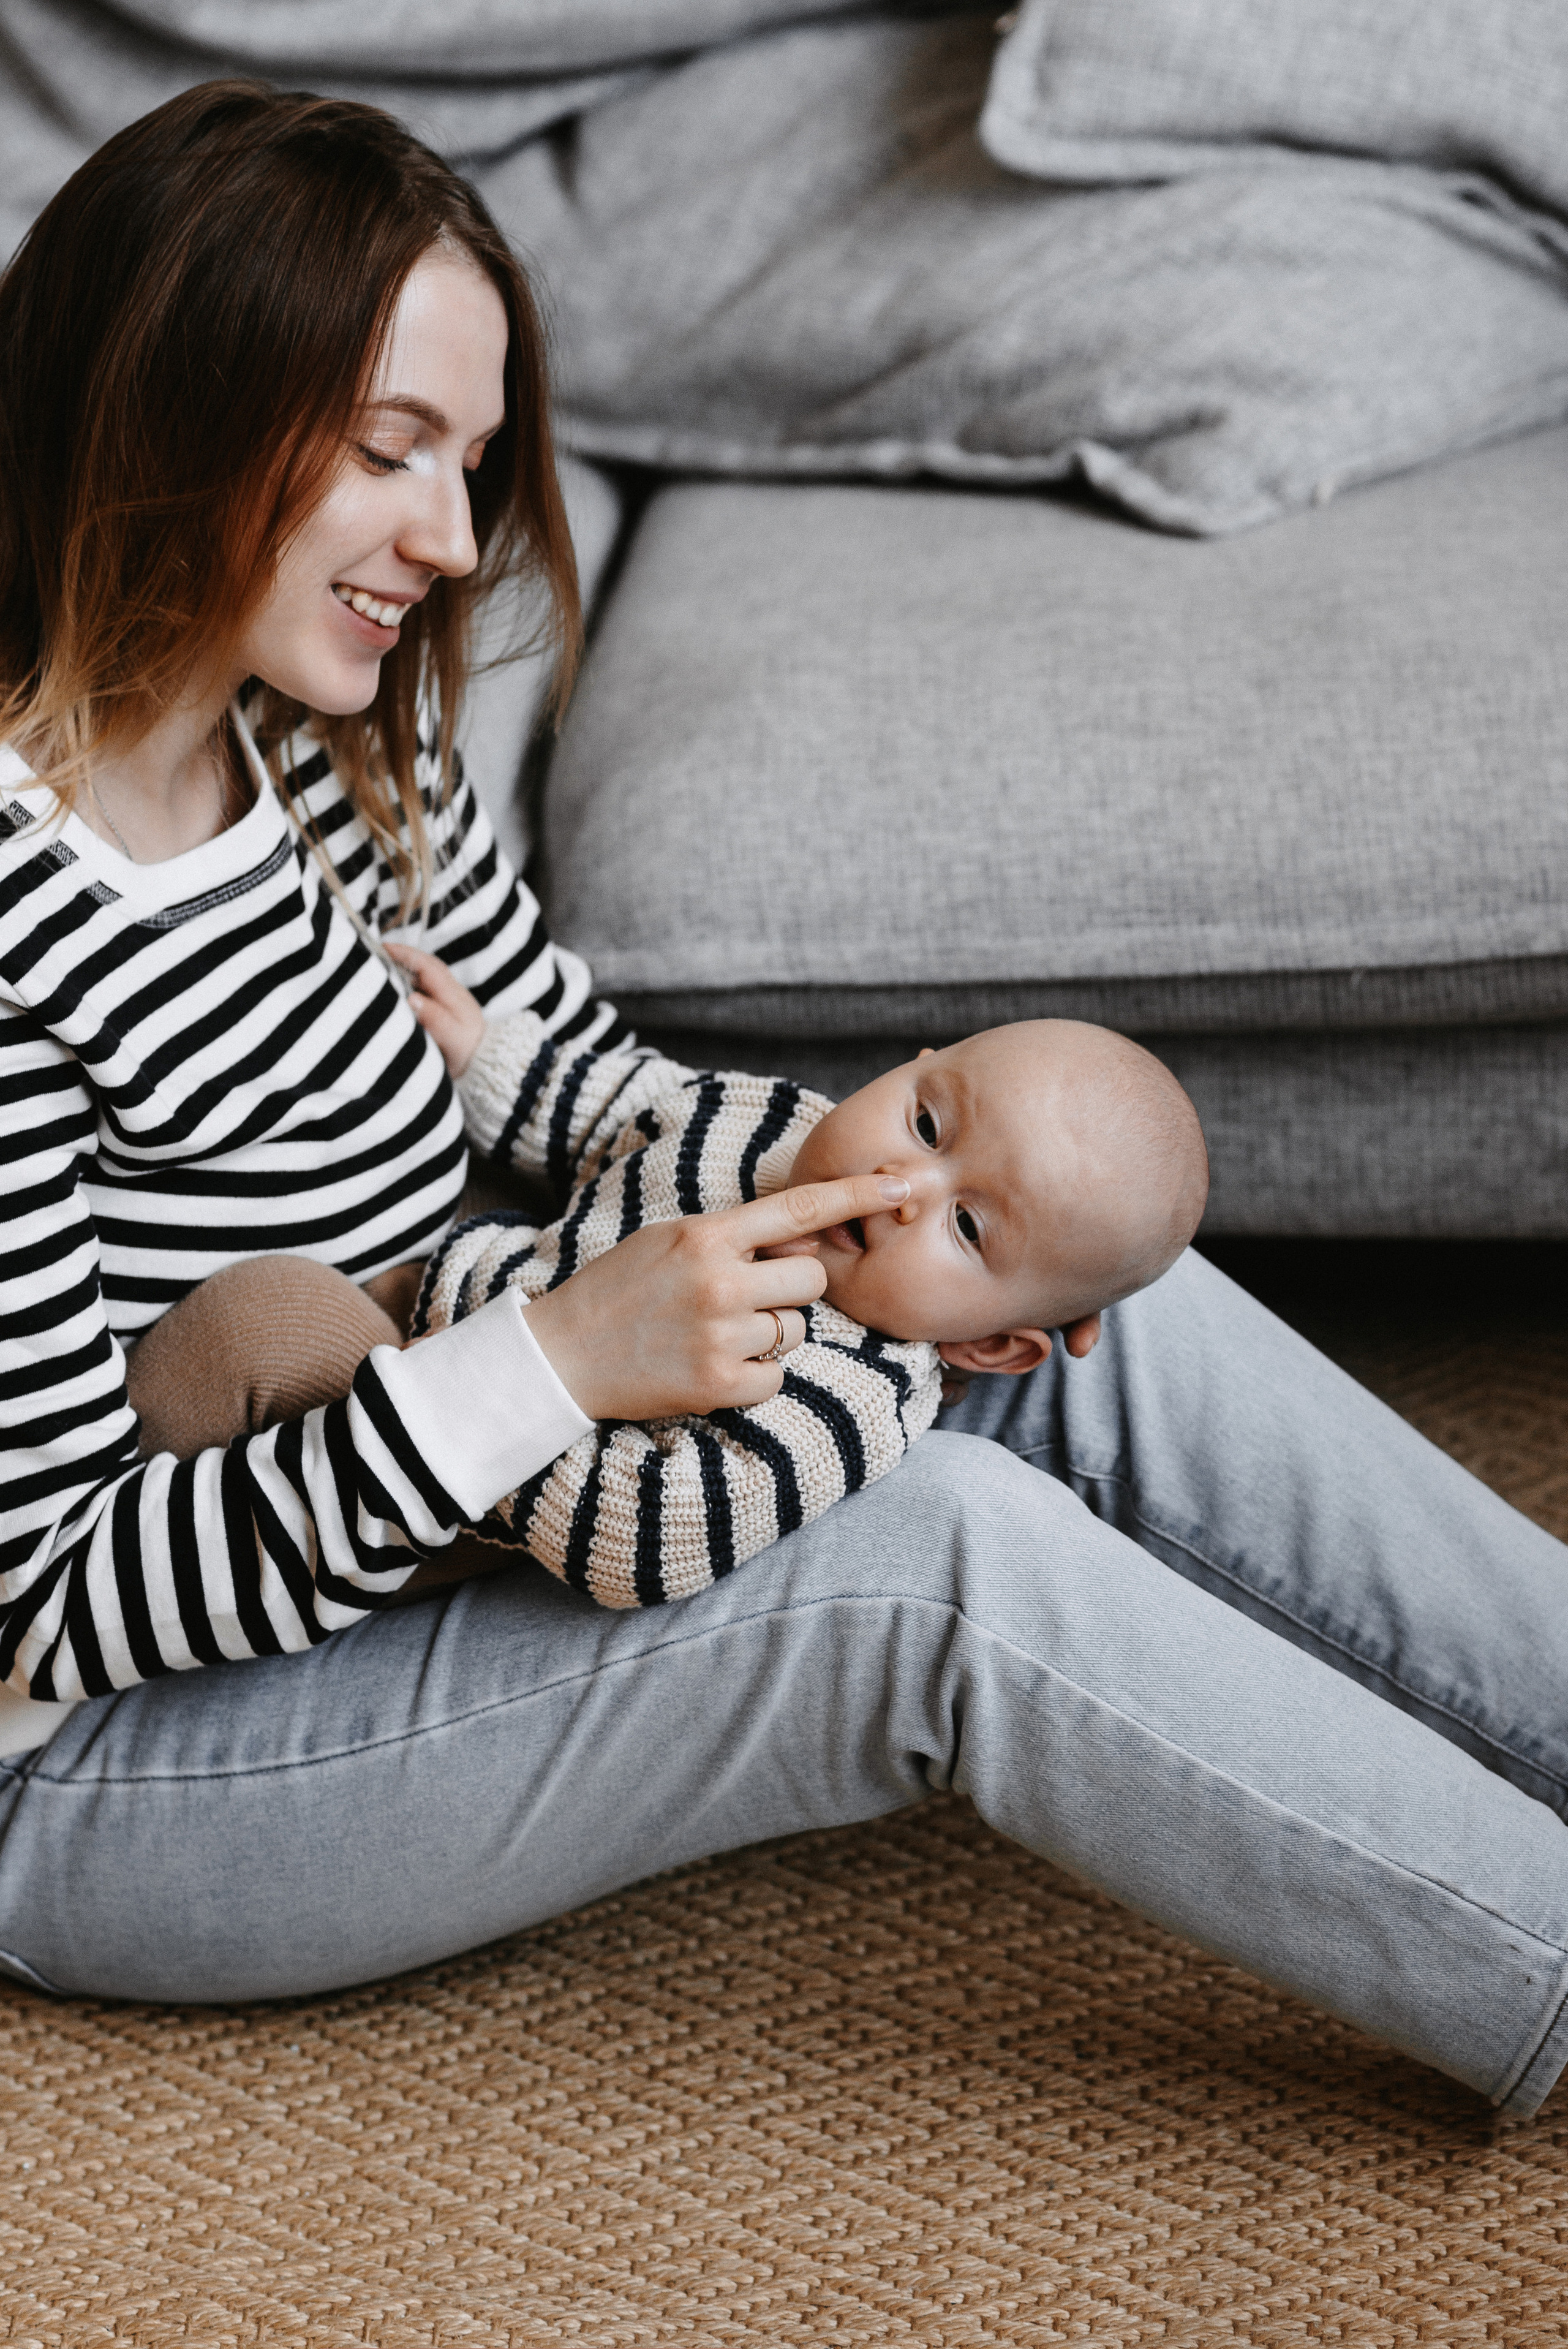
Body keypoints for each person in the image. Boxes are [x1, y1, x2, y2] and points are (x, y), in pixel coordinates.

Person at [4, 82, 1568, 2124]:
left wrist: (852, 1190)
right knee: (925, 1553)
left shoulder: (326, 747)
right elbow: (62, 1591)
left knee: (1060, 1250)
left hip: (449, 1476)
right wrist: (555, 1364)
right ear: (166, 404)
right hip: (117, 1766)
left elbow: (578, 1080)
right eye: (392, 455)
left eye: (470, 468)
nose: (453, 542)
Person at [132, 980, 1213, 1607]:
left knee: (265, 1320)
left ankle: (108, 1535)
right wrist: (485, 1057)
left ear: (992, 1348)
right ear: (910, 1066)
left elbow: (651, 1537)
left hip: (450, 1496)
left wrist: (510, 1397)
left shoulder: (841, 1395)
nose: (899, 1188)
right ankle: (142, 1503)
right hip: (442, 1293)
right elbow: (626, 1113)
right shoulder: (768, 1117)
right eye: (928, 1124)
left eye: (968, 1227)